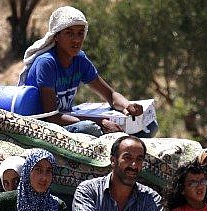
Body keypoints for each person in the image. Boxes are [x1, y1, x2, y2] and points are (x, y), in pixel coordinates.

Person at [18, 6, 157, 138]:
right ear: (56, 36)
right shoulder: (47, 63)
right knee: (88, 128)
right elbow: (51, 116)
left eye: (80, 33)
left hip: (67, 116)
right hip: (46, 124)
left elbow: (111, 95)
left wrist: (128, 106)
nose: (77, 40)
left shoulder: (79, 59)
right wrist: (100, 121)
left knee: (149, 126)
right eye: (69, 33)